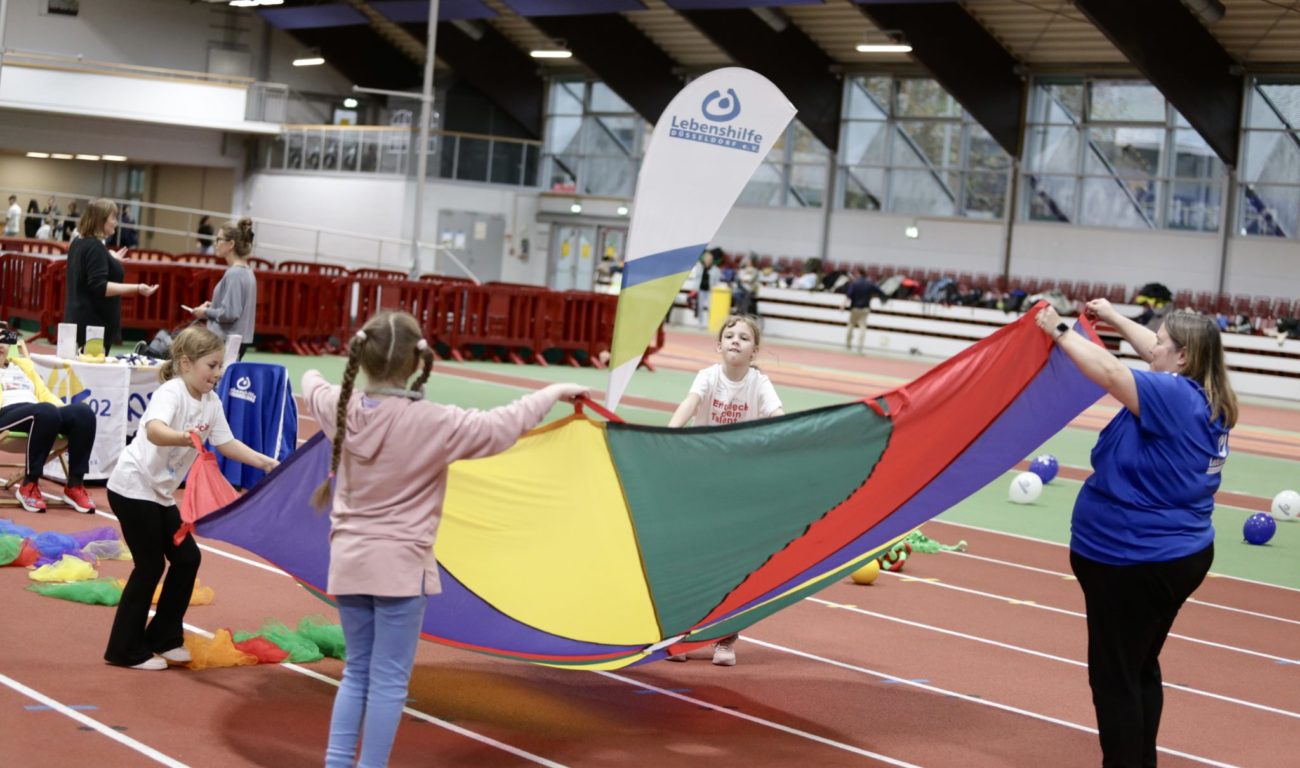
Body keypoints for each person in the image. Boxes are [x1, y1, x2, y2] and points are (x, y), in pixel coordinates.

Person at [302, 310, 588, 767]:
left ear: (362, 355)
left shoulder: (339, 405)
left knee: (357, 672)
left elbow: (311, 383)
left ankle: (337, 763)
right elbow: (502, 426)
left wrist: (318, 372)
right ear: (418, 362)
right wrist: (552, 392)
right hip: (401, 570)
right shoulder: (436, 421)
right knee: (390, 680)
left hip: (349, 563)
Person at [1034, 299, 1235, 768]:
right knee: (1139, 667)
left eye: (1162, 343)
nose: (1152, 348)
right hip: (1175, 553)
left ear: (1182, 356)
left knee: (1115, 679)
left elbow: (1107, 372)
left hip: (1132, 558)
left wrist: (1059, 329)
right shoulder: (1206, 392)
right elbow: (1151, 351)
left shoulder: (1173, 396)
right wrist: (1115, 317)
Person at [103, 326, 279, 671]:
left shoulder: (211, 402)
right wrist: (182, 437)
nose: (217, 373)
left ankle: (164, 638)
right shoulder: (172, 392)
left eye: (219, 367)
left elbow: (225, 442)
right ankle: (124, 650)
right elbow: (154, 430)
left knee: (186, 558)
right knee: (150, 565)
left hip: (161, 494)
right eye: (211, 366)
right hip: (132, 488)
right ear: (185, 363)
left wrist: (264, 462)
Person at [665, 314, 784, 666]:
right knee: (691, 556)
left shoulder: (759, 383)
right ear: (719, 346)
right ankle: (682, 636)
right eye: (729, 335)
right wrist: (670, 431)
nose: (736, 341)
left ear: (754, 350)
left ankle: (724, 640)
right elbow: (691, 403)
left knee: (732, 563)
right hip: (702, 477)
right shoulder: (708, 376)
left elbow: (777, 414)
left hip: (739, 484)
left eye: (744, 338)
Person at [0, 324, 98, 513]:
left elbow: (44, 394)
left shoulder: (22, 367)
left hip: (40, 413)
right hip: (5, 414)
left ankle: (75, 485)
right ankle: (29, 485)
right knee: (45, 411)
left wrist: (62, 413)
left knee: (82, 413)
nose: (1, 342)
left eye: (5, 337)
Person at [64, 199, 159, 354]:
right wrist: (137, 288)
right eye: (113, 218)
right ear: (101, 220)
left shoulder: (79, 242)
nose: (116, 222)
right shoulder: (95, 247)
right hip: (92, 325)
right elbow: (100, 287)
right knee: (91, 373)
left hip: (80, 320)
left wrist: (111, 259)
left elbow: (89, 271)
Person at [189, 218, 256, 359]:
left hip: (225, 341)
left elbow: (230, 314)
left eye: (219, 239)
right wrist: (214, 305)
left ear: (231, 244)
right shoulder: (246, 272)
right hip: (234, 341)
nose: (215, 244)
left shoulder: (235, 274)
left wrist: (205, 312)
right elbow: (235, 308)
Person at [843, 267, 885, 353]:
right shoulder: (870, 283)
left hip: (855, 308)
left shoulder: (854, 284)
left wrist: (843, 305)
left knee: (851, 325)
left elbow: (849, 296)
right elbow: (879, 291)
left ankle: (848, 343)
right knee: (862, 328)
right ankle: (860, 346)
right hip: (865, 308)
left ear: (858, 273)